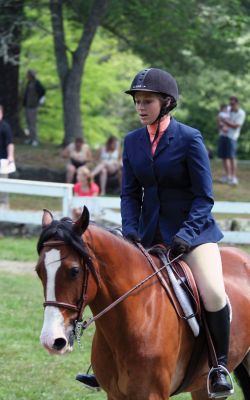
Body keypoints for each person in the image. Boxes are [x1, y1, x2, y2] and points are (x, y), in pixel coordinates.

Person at [76, 68, 234, 397]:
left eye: (147, 100)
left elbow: (204, 197)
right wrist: (131, 232)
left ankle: (218, 366)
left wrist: (187, 235)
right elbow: (130, 194)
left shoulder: (189, 138)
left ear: (166, 103)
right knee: (116, 292)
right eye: (137, 101)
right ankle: (106, 366)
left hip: (193, 236)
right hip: (147, 237)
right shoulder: (132, 142)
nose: (140, 107)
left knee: (215, 294)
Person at [217, 96, 246, 185]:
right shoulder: (227, 109)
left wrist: (224, 121)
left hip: (232, 137)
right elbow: (218, 118)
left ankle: (233, 177)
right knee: (224, 157)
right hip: (223, 135)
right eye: (230, 103)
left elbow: (236, 126)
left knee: (232, 157)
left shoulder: (241, 113)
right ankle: (228, 176)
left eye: (233, 103)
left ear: (237, 103)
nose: (231, 105)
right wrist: (222, 125)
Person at [23, 69, 46, 146]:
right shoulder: (29, 83)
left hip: (33, 106)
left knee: (33, 124)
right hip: (27, 106)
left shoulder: (36, 83)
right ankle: (30, 138)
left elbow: (42, 91)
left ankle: (35, 139)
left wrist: (40, 100)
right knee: (28, 123)